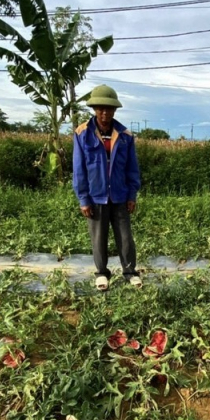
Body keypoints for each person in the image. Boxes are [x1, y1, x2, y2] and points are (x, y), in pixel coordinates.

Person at [73, 85, 142, 291]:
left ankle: (130, 272)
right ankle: (102, 273)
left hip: (120, 195)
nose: (105, 113)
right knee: (98, 237)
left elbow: (132, 168)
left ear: (115, 110)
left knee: (125, 237)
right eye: (100, 108)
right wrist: (83, 199)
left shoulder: (125, 135)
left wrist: (132, 195)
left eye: (109, 109)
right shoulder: (82, 133)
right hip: (96, 196)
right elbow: (79, 169)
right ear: (94, 109)